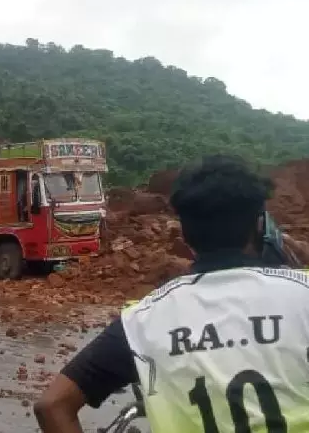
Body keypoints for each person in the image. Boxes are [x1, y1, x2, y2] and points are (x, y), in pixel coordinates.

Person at [34, 155, 309, 432]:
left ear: (186, 237)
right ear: (260, 225)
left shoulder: (142, 321)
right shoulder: (302, 294)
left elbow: (53, 405)